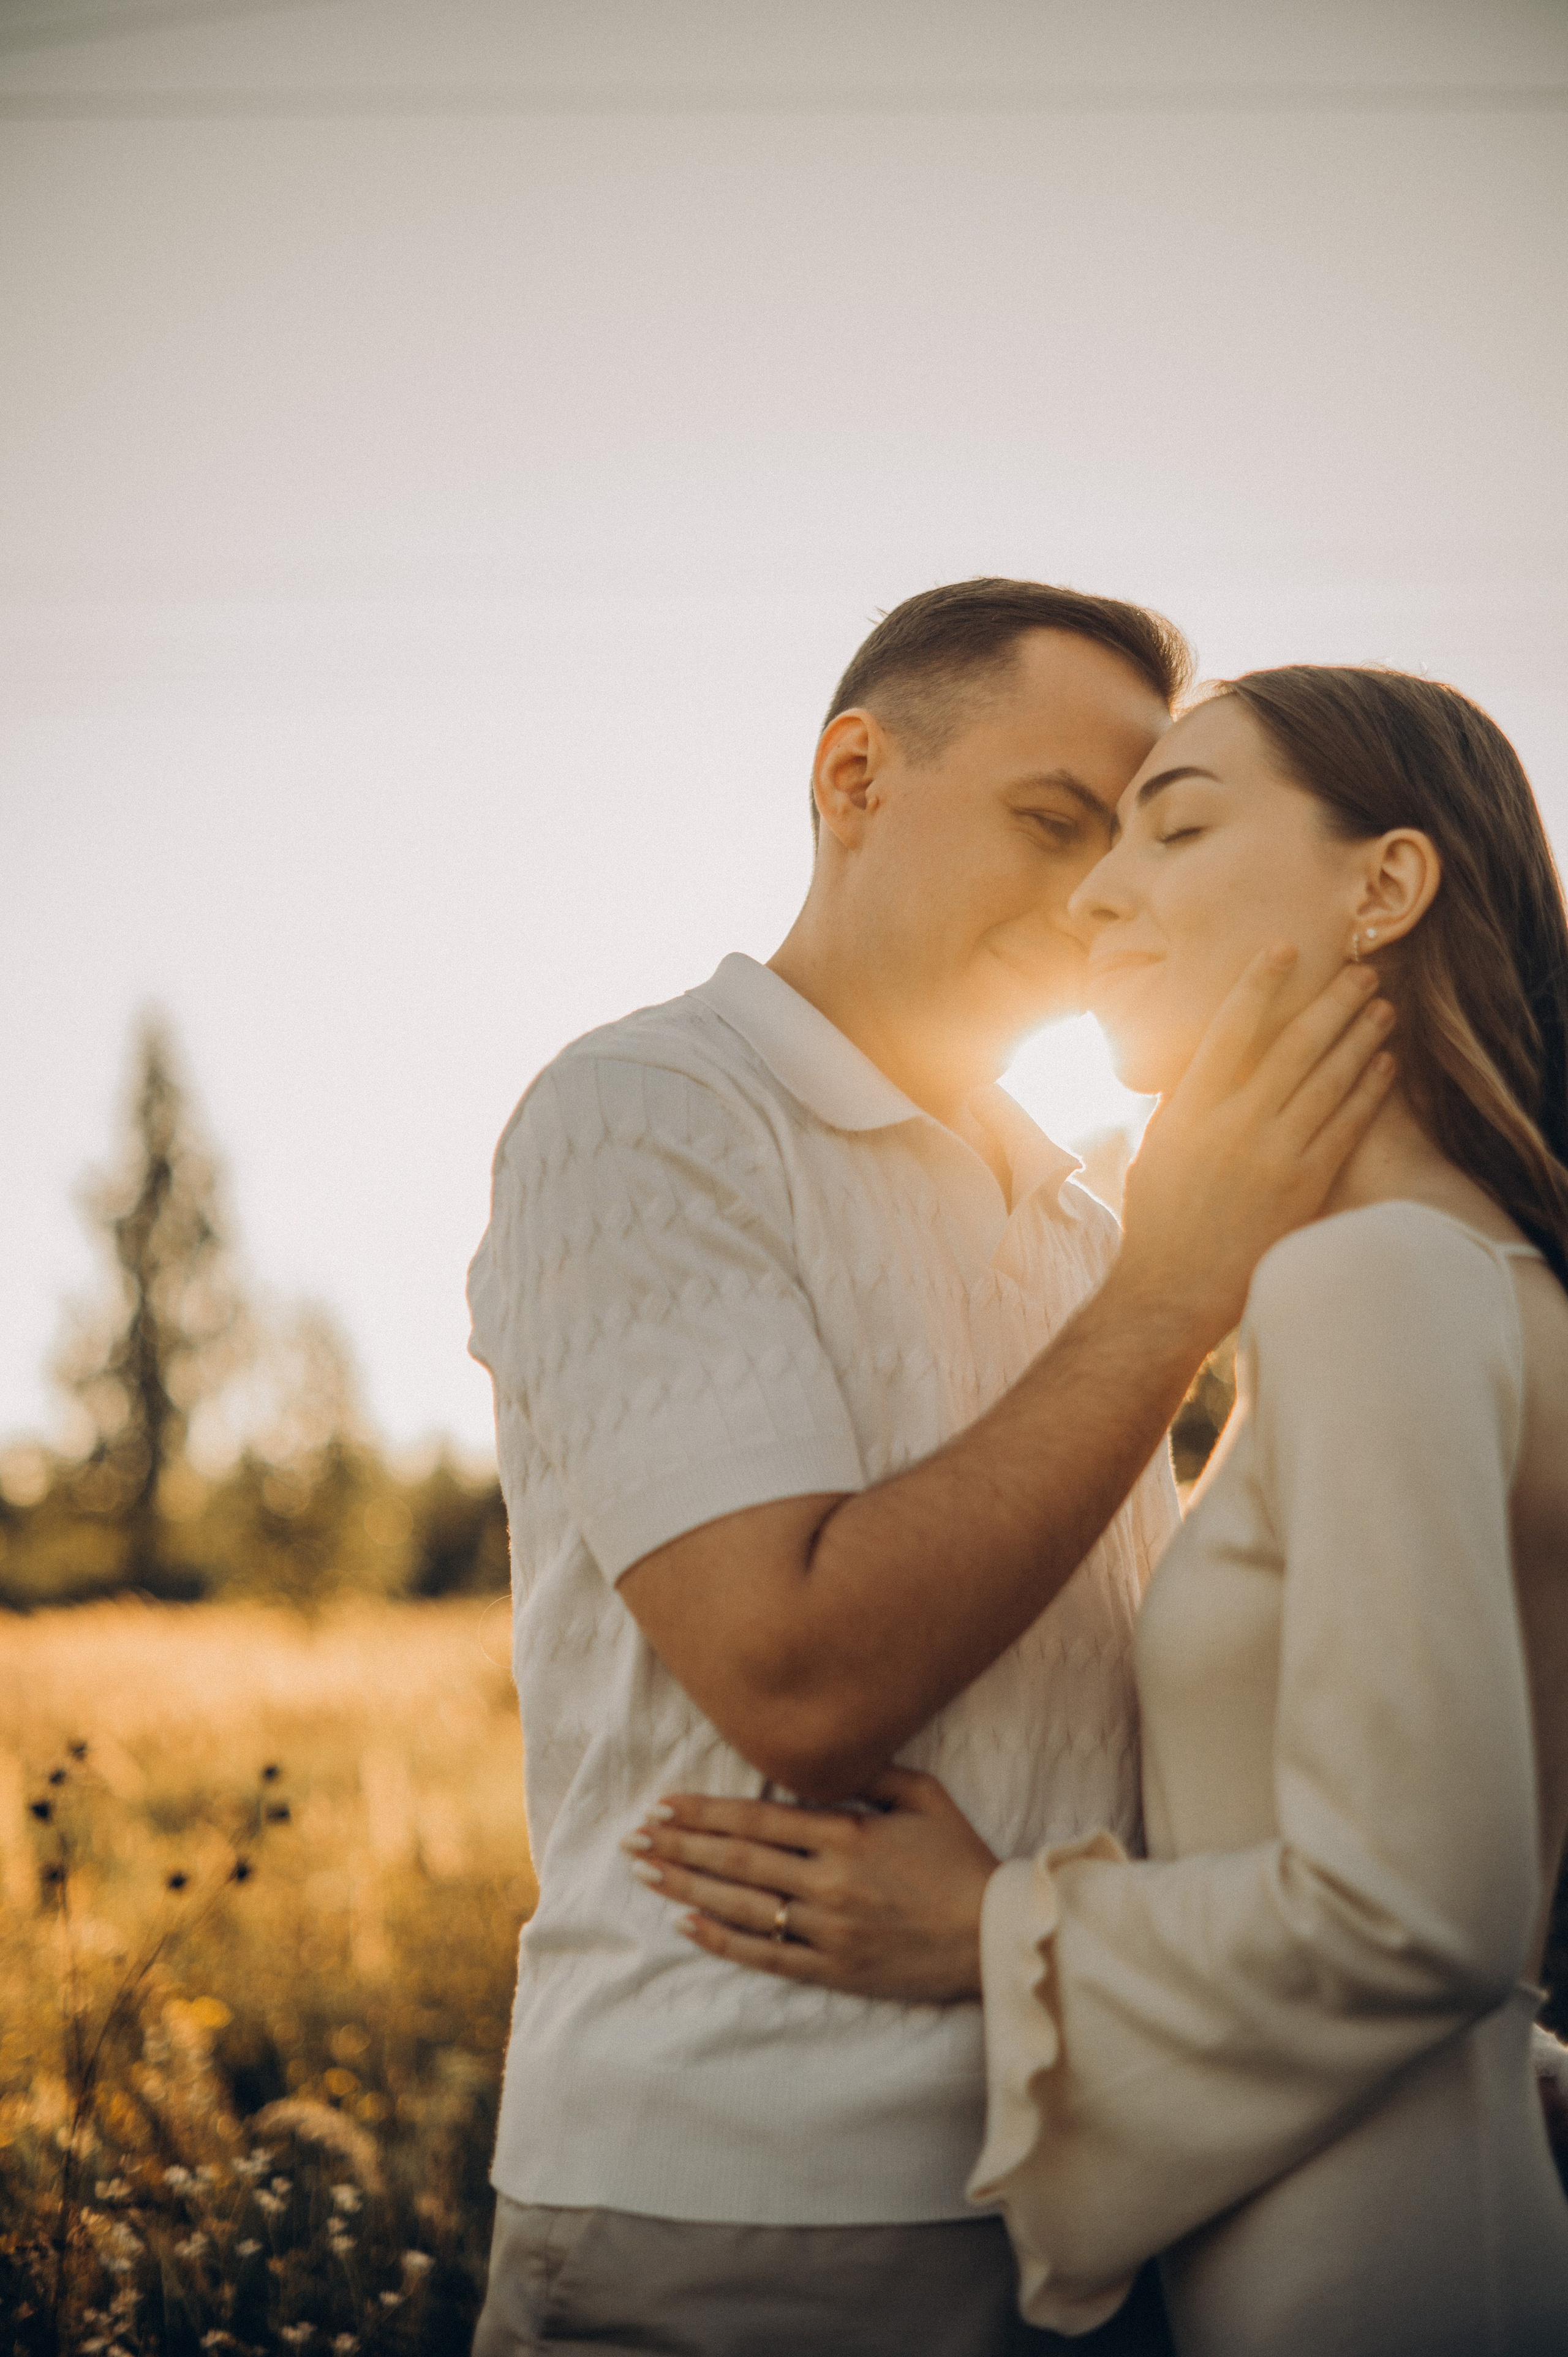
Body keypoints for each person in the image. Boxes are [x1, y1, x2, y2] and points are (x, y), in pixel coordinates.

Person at [465, 583, 1394, 2357]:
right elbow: (796, 1676)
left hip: (1100, 2199)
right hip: (740, 2217)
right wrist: (1175, 1296)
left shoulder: (1085, 1217)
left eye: (1134, 844)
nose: (1101, 898)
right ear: (855, 774)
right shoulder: (649, 1113)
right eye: (1053, 823)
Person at [627, 665, 1568, 2356]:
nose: (1100, 894)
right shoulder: (1476, 1280)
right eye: (1086, 836)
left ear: (1387, 885)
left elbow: (1425, 1913)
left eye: (1177, 826)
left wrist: (990, 1928)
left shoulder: (1376, 1289)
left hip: (1354, 2283)